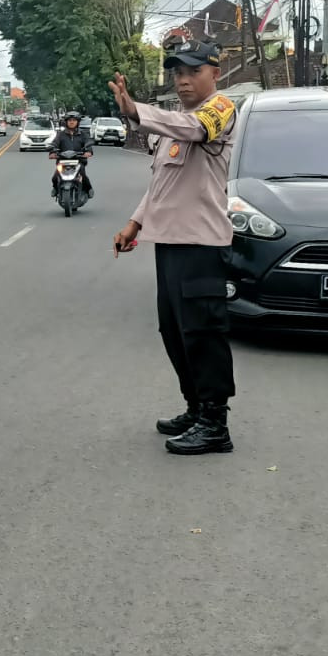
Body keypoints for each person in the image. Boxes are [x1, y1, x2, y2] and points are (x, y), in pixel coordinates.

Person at [107, 38, 237, 455]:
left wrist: (135, 110)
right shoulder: (171, 129)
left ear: (214, 73)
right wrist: (134, 224)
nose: (183, 81)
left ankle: (215, 423)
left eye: (193, 72)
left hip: (201, 244)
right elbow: (161, 185)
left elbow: (194, 129)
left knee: (203, 333)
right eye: (178, 73)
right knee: (175, 331)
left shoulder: (220, 109)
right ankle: (195, 408)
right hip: (170, 243)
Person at [49, 111, 94, 199]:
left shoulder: (83, 134)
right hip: (63, 161)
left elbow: (88, 143)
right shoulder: (60, 134)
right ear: (66, 122)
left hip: (78, 161)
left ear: (78, 122)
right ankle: (55, 188)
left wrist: (88, 151)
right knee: (54, 177)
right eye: (69, 120)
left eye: (74, 120)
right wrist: (52, 152)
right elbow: (54, 144)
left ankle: (89, 188)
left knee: (83, 174)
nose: (72, 122)